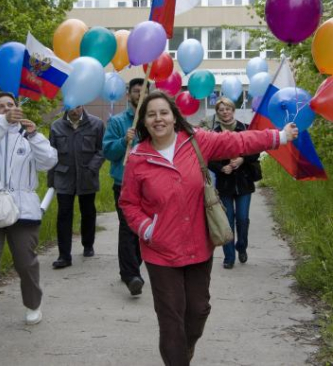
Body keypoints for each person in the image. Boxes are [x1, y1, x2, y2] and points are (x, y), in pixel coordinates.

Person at [119, 90, 298, 366]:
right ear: (143, 121)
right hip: (160, 252)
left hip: (197, 246)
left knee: (198, 311)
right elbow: (129, 203)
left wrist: (279, 137)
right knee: (171, 319)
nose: (158, 119)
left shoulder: (196, 141)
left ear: (174, 117)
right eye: (151, 114)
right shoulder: (137, 158)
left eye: (164, 112)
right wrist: (148, 229)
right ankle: (177, 359)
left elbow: (238, 139)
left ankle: (186, 348)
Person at [0, 92, 58, 349]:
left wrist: (35, 135)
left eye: (10, 105)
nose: (5, 109)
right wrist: (0, 123)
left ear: (19, 109)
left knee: (26, 263)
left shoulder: (29, 135)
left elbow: (49, 162)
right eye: (0, 107)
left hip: (23, 212)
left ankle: (33, 302)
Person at [102, 78, 149, 296]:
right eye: (136, 91)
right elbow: (108, 152)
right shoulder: (119, 122)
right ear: (129, 94)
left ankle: (131, 269)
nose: (140, 95)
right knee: (128, 228)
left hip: (150, 185)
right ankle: (131, 275)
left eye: (144, 91)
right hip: (124, 184)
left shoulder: (153, 120)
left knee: (142, 230)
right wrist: (123, 141)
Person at [48, 105, 105, 269]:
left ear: (83, 105)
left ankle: (88, 244)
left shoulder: (96, 124)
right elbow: (51, 154)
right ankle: (64, 255)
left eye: (78, 106)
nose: (75, 111)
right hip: (63, 176)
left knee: (88, 211)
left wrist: (92, 168)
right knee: (64, 214)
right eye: (72, 107)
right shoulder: (56, 126)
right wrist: (51, 181)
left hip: (87, 176)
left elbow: (101, 150)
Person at [208, 97, 261, 269]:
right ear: (217, 112)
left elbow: (255, 150)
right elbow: (208, 157)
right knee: (227, 221)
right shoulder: (214, 133)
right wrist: (221, 168)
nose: (225, 112)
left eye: (228, 108)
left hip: (244, 182)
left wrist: (241, 160)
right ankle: (229, 257)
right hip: (225, 185)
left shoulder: (245, 128)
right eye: (221, 109)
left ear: (233, 110)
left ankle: (242, 246)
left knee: (242, 219)